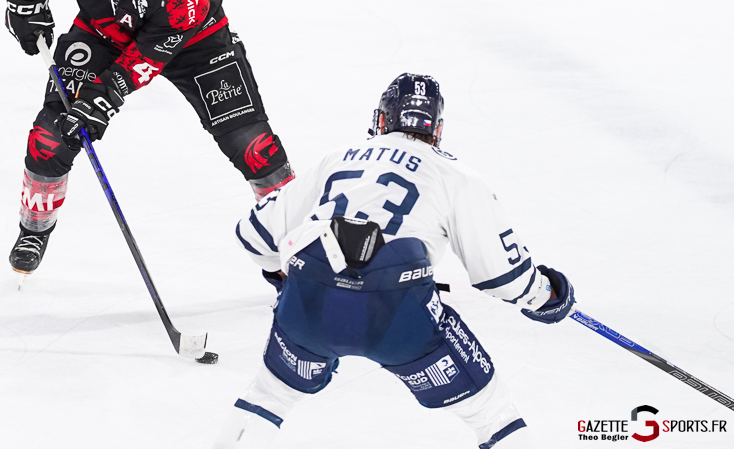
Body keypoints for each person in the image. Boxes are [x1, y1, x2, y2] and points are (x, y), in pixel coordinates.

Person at [213, 73, 576, 448]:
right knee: (493, 415)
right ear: (435, 128)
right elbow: (506, 279)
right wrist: (547, 295)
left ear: (382, 120)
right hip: (399, 313)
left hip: (310, 300)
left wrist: (289, 281)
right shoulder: (456, 175)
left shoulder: (338, 158)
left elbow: (253, 235)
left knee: (268, 396)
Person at [0, 0, 293, 276]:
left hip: (195, 44)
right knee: (51, 137)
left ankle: (298, 240)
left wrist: (105, 95)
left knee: (255, 147)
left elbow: (150, 52)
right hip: (104, 32)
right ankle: (34, 228)